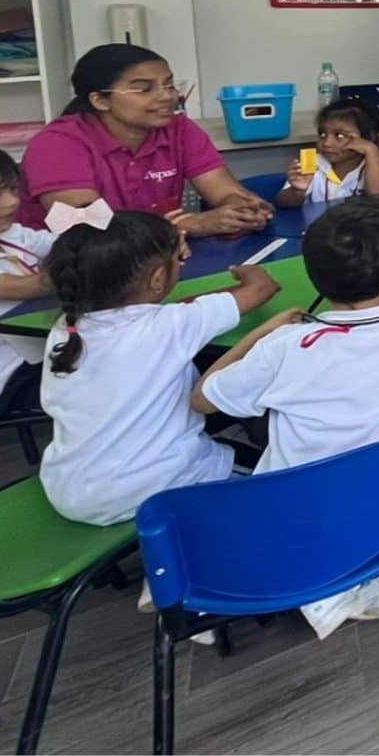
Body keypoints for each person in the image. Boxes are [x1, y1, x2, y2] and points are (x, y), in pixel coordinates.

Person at [191, 195, 379, 639]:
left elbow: (202, 400)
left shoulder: (286, 349)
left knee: (212, 498)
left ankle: (316, 585)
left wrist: (266, 332)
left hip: (297, 515)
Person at [38, 206, 279, 527]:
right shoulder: (171, 325)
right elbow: (262, 287)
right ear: (157, 279)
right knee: (275, 471)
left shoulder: (64, 329)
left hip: (69, 490)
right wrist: (246, 271)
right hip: (156, 485)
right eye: (178, 260)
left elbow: (175, 310)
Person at [19, 44, 272, 237]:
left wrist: (241, 210)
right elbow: (83, 229)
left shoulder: (179, 129)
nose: (167, 97)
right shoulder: (57, 144)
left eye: (169, 85)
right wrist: (188, 225)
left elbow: (225, 191)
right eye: (144, 89)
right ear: (100, 100)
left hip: (153, 258)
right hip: (64, 271)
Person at [0, 149, 54, 428]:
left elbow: (64, 241)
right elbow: (24, 287)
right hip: (4, 380)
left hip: (35, 359)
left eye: (14, 190)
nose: (12, 202)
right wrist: (104, 260)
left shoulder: (9, 234)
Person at [275, 97, 379, 207]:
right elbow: (283, 204)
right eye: (322, 135)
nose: (327, 143)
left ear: (368, 138)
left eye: (340, 135)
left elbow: (378, 197)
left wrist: (371, 150)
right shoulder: (314, 162)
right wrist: (297, 191)